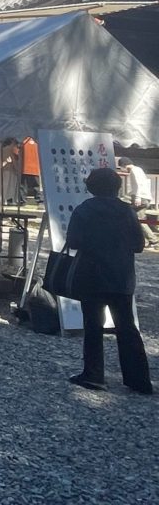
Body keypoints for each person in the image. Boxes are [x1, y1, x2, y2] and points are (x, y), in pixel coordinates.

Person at [64, 167, 153, 394]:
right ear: (117, 187)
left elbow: (73, 241)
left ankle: (93, 374)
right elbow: (138, 245)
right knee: (127, 327)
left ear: (91, 186)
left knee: (93, 326)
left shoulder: (84, 210)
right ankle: (138, 379)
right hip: (121, 275)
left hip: (91, 275)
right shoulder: (127, 211)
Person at [118, 156, 158, 247]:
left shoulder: (134, 171)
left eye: (121, 167)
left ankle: (152, 239)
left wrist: (137, 197)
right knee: (139, 219)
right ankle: (151, 239)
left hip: (141, 198)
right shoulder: (138, 169)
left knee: (136, 219)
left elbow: (137, 184)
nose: (122, 169)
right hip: (144, 197)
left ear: (124, 165)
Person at [1, 138, 22, 205]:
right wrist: (17, 169)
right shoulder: (11, 150)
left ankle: (4, 200)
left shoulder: (2, 149)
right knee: (8, 186)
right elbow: (13, 160)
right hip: (9, 170)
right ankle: (6, 199)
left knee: (5, 186)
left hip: (5, 170)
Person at [20, 136, 41, 203]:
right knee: (36, 186)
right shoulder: (37, 142)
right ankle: (39, 199)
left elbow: (16, 152)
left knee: (23, 186)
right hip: (35, 168)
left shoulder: (22, 142)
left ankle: (23, 200)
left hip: (24, 167)